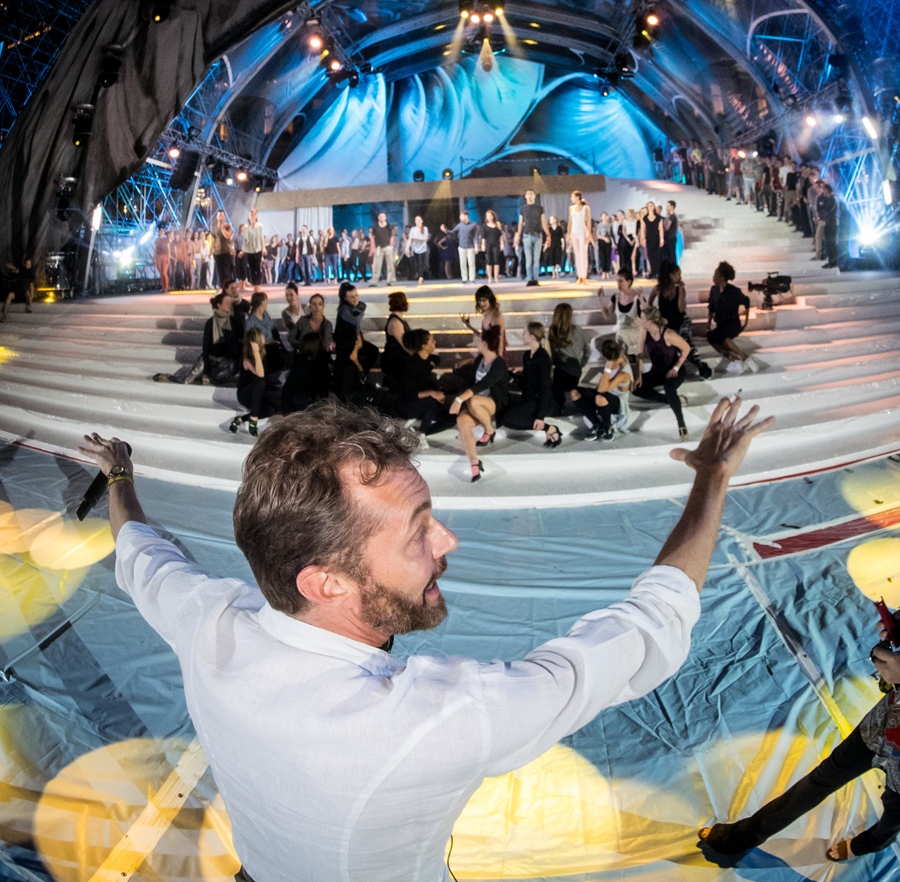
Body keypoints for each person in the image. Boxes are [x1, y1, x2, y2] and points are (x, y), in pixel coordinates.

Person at [82, 393, 772, 882]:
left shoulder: (208, 622)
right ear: (327, 583)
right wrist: (712, 479)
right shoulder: (430, 719)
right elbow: (648, 630)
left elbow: (142, 551)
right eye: (418, 531)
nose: (448, 541)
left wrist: (119, 474)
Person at [700, 615, 900, 865]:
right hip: (881, 725)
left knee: (894, 814)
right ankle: (741, 837)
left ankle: (872, 842)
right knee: (821, 779)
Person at [449, 323, 509, 481]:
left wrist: (459, 399)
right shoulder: (480, 361)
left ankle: (489, 431)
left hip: (493, 404)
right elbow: (471, 382)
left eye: (478, 341)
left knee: (474, 400)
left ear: (484, 343)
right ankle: (474, 462)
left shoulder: (499, 364)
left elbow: (483, 385)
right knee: (461, 421)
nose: (477, 344)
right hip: (476, 406)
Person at [634, 306, 691, 440]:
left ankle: (681, 423)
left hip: (674, 370)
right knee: (636, 388)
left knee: (669, 387)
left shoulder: (668, 334)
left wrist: (676, 367)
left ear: (650, 321)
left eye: (642, 318)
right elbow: (639, 354)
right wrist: (639, 375)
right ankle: (671, 400)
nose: (639, 320)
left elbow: (686, 348)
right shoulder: (644, 331)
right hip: (658, 370)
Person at [501, 321, 559, 447]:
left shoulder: (543, 358)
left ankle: (549, 428)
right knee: (505, 418)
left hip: (541, 402)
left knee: (509, 417)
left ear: (532, 336)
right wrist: (512, 375)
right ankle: (547, 428)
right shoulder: (527, 355)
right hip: (529, 399)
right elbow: (527, 379)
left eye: (524, 333)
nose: (523, 335)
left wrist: (540, 416)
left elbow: (545, 388)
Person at [397, 328, 451, 434]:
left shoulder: (428, 361)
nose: (434, 342)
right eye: (431, 341)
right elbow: (408, 394)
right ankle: (422, 433)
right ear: (424, 346)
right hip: (409, 405)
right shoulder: (411, 365)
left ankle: (419, 433)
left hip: (424, 405)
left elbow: (435, 360)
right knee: (432, 401)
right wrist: (431, 393)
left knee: (452, 418)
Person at [707, 261, 756, 374]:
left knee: (723, 338)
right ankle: (734, 358)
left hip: (732, 323)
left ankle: (744, 357)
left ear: (723, 277)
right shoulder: (714, 290)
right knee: (712, 337)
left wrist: (746, 322)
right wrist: (708, 324)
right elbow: (711, 308)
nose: (713, 277)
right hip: (721, 323)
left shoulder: (733, 291)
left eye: (716, 275)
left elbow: (746, 301)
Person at [229, 328, 278, 436]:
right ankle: (253, 420)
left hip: (258, 394)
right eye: (262, 337)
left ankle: (240, 419)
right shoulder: (245, 359)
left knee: (270, 410)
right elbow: (260, 374)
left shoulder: (263, 356)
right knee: (260, 381)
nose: (264, 339)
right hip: (245, 394)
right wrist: (255, 352)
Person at [548, 301, 590, 412]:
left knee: (555, 384)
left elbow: (552, 356)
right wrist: (580, 365)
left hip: (561, 370)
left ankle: (558, 407)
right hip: (575, 370)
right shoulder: (578, 330)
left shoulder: (553, 331)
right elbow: (588, 351)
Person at [598, 267, 643, 356]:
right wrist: (601, 300)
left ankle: (624, 358)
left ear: (629, 282)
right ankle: (625, 355)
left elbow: (645, 318)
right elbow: (607, 316)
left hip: (634, 331)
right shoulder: (616, 297)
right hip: (620, 330)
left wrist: (642, 302)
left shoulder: (637, 297)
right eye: (617, 281)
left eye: (621, 281)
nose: (618, 284)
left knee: (620, 336)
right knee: (597, 341)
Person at [515, 187, 549, 286]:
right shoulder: (523, 208)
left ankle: (536, 279)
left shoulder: (539, 208)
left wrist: (548, 234)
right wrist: (518, 235)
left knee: (536, 259)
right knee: (528, 259)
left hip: (538, 235)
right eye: (527, 194)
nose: (529, 195)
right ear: (525, 196)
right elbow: (520, 223)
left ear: (534, 195)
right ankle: (530, 279)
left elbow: (543, 221)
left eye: (531, 193)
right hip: (527, 235)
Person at [460, 284, 506, 356]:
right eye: (479, 301)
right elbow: (483, 336)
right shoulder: (486, 314)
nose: (481, 303)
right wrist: (468, 325)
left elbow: (499, 339)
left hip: (494, 354)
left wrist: (498, 359)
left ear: (490, 299)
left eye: (484, 300)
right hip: (486, 352)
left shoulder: (496, 316)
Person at [382, 291, 412, 387]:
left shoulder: (399, 319)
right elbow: (404, 344)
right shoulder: (395, 322)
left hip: (400, 356)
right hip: (396, 358)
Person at [442, 211, 480, 283]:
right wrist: (445, 230)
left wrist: (476, 246)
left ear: (466, 216)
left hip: (470, 246)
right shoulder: (459, 225)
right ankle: (464, 278)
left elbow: (476, 236)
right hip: (462, 246)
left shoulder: (473, 225)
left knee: (471, 263)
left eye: (461, 216)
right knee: (463, 263)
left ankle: (472, 278)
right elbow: (452, 232)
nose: (460, 218)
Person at [567, 190, 592, 285]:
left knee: (583, 254)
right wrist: (568, 234)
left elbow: (588, 221)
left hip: (582, 232)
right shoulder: (571, 208)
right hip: (574, 232)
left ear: (577, 197)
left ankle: (584, 276)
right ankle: (579, 276)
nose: (571, 198)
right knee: (577, 254)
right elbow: (570, 221)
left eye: (572, 197)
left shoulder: (585, 208)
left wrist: (589, 234)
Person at [368, 212, 397, 286]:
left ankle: (389, 281)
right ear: (378, 218)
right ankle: (374, 281)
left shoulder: (389, 226)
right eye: (380, 216)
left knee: (390, 265)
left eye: (383, 216)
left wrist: (391, 246)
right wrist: (373, 248)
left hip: (388, 247)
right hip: (379, 247)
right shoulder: (375, 227)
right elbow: (372, 238)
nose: (382, 218)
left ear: (385, 218)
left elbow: (391, 237)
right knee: (376, 265)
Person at [243, 209, 266, 292]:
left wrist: (263, 248)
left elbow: (261, 238)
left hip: (258, 249)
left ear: (256, 216)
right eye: (250, 215)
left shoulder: (260, 226)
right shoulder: (246, 227)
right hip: (249, 250)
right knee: (252, 268)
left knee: (258, 268)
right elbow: (245, 240)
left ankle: (258, 284)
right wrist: (243, 250)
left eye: (253, 215)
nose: (251, 216)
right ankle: (254, 285)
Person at [405, 214, 431, 284]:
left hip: (423, 249)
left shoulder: (425, 228)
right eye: (416, 220)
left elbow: (425, 238)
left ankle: (421, 277)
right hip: (415, 249)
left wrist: (414, 238)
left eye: (419, 220)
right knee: (416, 264)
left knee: (421, 263)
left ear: (422, 221)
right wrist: (407, 247)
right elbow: (410, 239)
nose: (418, 221)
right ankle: (419, 275)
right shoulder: (413, 229)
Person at [212, 210, 234, 288]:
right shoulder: (214, 228)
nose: (220, 217)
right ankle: (222, 288)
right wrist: (211, 250)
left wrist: (222, 228)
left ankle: (228, 288)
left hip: (226, 252)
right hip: (217, 253)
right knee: (220, 272)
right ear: (217, 217)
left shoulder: (227, 226)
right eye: (219, 216)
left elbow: (227, 236)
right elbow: (214, 239)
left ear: (224, 217)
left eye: (222, 215)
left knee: (226, 272)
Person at [481, 209, 503, 284]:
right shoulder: (484, 226)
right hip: (488, 244)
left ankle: (496, 277)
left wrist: (502, 243)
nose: (489, 217)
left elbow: (500, 235)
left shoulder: (497, 224)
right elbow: (483, 237)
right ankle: (490, 277)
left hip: (496, 244)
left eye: (490, 215)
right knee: (489, 260)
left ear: (493, 216)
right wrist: (483, 245)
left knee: (496, 260)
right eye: (487, 216)